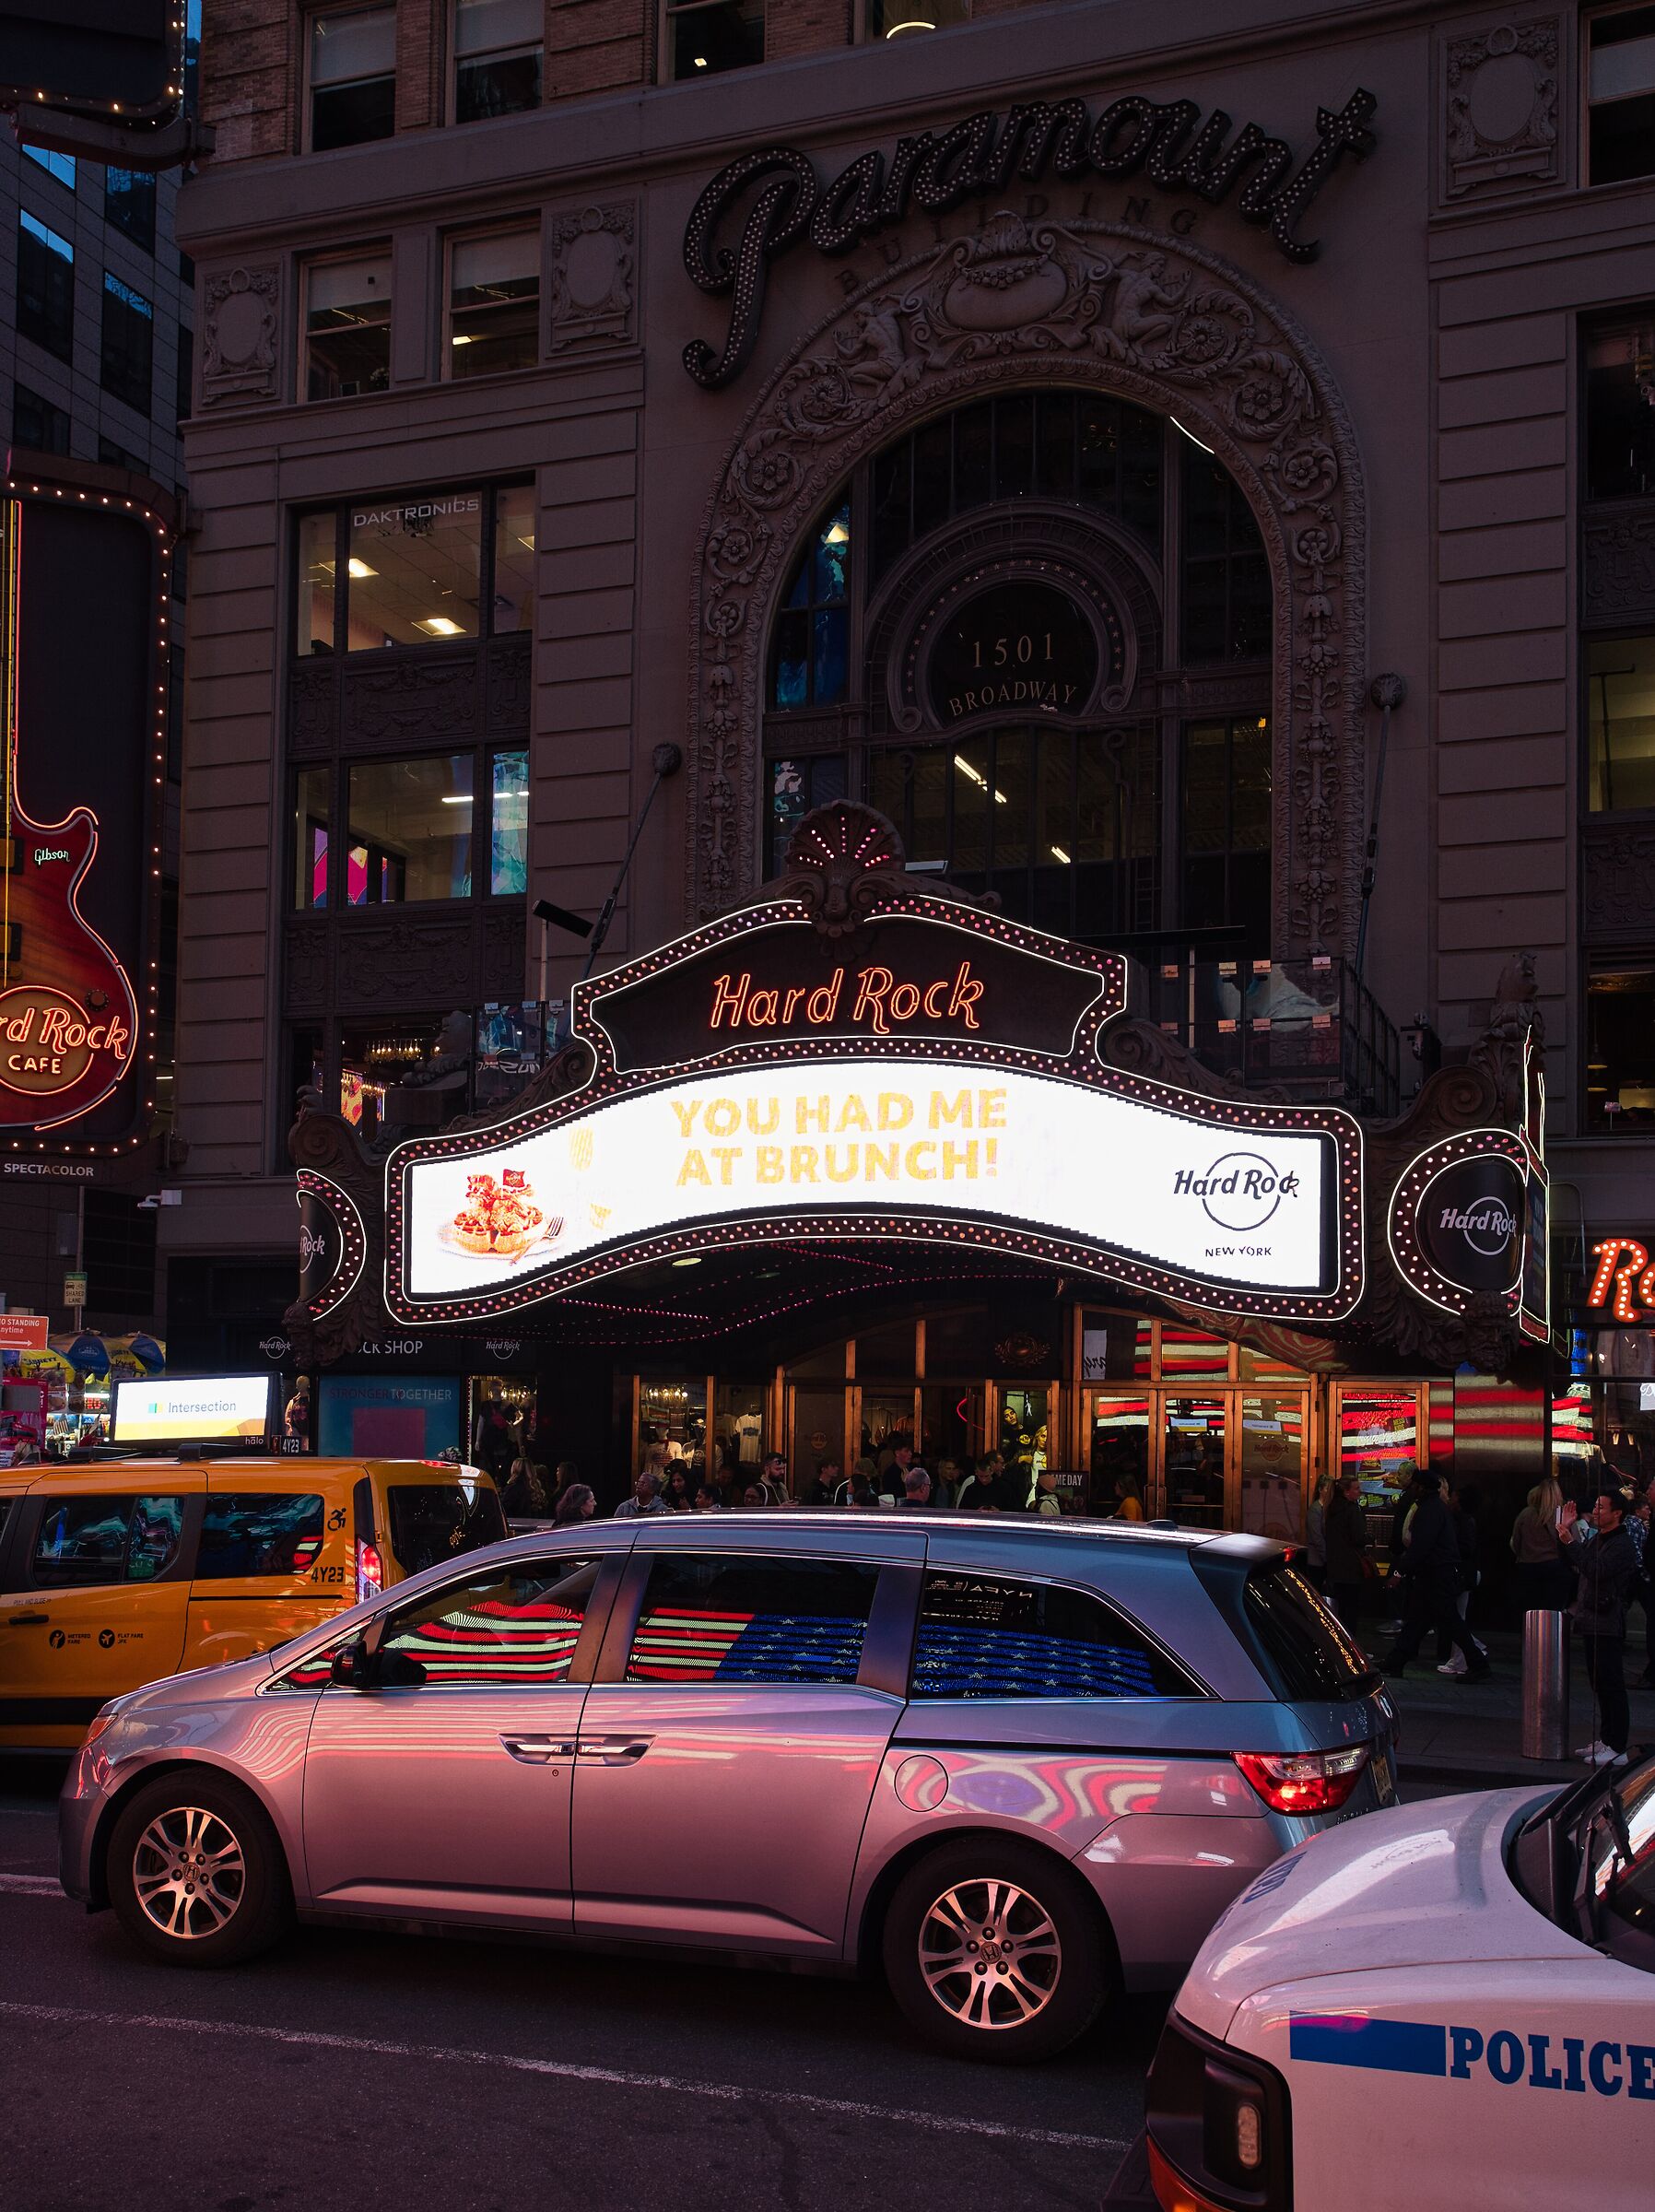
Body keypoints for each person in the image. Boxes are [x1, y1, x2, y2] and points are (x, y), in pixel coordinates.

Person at [1379, 1471, 1489, 1680]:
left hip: (1434, 1575)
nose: (1411, 1488)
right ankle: (1396, 1661)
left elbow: (1421, 1546)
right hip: (1436, 1574)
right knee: (1423, 1620)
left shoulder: (1428, 1511)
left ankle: (1478, 1664)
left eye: (1414, 1485)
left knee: (1445, 1621)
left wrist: (1399, 1572)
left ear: (1421, 1487)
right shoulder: (1436, 1508)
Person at [1563, 1485, 1640, 1766]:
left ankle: (1617, 1745)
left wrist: (1570, 1542)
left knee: (1610, 1683)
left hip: (1607, 1619)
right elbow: (1583, 1564)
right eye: (1595, 1506)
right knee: (1600, 1682)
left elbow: (1595, 1570)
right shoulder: (1599, 1539)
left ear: (1617, 1513)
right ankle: (1607, 1739)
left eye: (1601, 1507)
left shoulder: (1621, 1544)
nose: (1595, 1511)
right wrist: (1568, 1532)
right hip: (1593, 1617)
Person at [1437, 1483, 1489, 1678]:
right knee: (1456, 1616)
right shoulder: (1467, 1520)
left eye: (1453, 1497)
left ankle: (1461, 1659)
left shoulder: (1461, 1522)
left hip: (1461, 1574)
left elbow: (1465, 1549)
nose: (1450, 1499)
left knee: (1456, 1617)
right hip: (1466, 1573)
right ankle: (1468, 1652)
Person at [1509, 1477, 1571, 1614]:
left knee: (1530, 1610)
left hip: (1528, 1567)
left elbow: (1516, 1541)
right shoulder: (1561, 1515)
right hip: (1555, 1567)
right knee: (1553, 1611)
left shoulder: (1526, 1514)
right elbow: (1573, 1541)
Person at [1323, 1470, 1368, 1632]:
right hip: (1351, 1566)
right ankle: (1351, 1640)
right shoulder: (1352, 1510)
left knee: (1341, 1607)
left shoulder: (1331, 1509)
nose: (1359, 1491)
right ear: (1346, 1491)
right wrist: (1369, 1538)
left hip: (1336, 1565)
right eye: (1356, 1488)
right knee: (1351, 1608)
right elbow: (1357, 1537)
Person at [1305, 1475, 1333, 1587]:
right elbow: (1317, 1537)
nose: (1330, 1492)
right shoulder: (1315, 1509)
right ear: (1320, 1490)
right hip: (1317, 1561)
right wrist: (1327, 1558)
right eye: (1327, 1489)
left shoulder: (1329, 1508)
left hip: (1326, 1559)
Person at [502, 1453, 547, 1518]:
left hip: (516, 1523)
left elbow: (504, 1509)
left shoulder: (512, 1488)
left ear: (514, 1470)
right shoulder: (537, 1488)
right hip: (536, 1523)